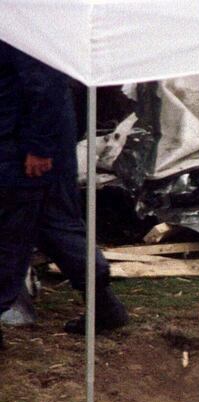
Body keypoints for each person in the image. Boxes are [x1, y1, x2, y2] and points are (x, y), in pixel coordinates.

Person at [0, 40, 128, 349]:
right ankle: (105, 306)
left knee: (11, 232)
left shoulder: (19, 20)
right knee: (54, 225)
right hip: (34, 142)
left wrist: (39, 146)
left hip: (27, 148)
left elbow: (45, 83)